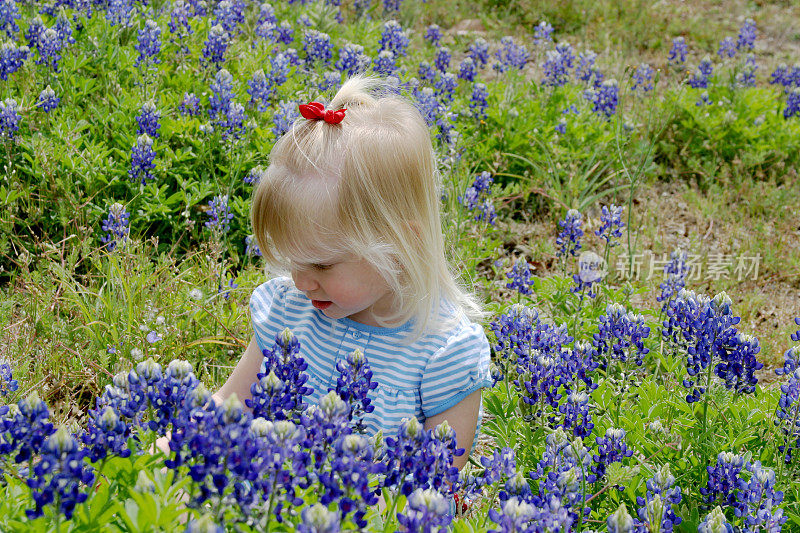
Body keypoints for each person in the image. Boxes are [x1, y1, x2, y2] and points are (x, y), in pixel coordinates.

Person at [161, 75, 492, 469]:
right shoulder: (287, 311)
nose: (301, 282)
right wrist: (161, 456)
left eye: (320, 263)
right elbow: (227, 407)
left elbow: (437, 481)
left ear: (401, 245)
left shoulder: (443, 353)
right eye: (291, 261)